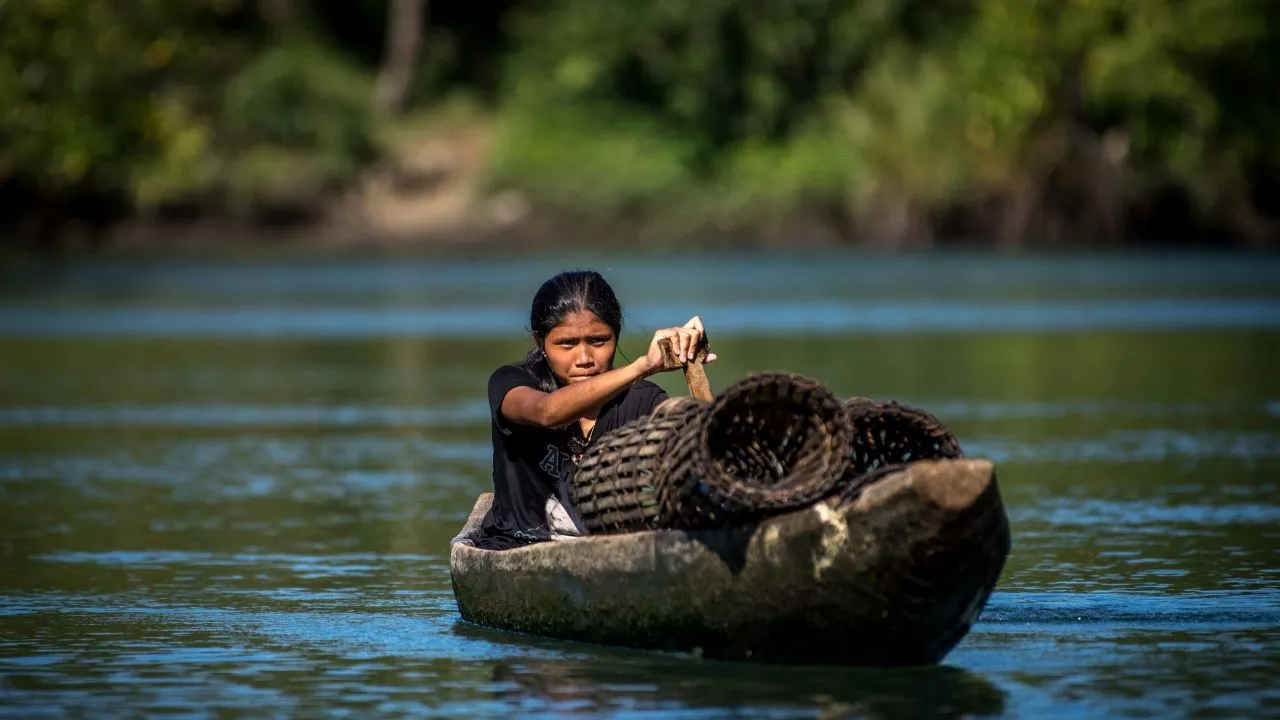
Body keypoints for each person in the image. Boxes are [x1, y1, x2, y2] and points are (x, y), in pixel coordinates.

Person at [476, 270, 715, 550]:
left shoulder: (643, 401)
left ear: (616, 336)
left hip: (610, 552)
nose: (585, 359)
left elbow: (704, 456)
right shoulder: (511, 383)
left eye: (599, 341)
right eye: (567, 344)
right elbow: (547, 412)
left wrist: (694, 370)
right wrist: (644, 365)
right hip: (514, 546)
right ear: (540, 342)